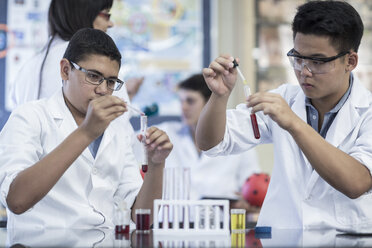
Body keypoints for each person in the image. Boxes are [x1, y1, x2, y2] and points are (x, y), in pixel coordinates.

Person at [196, 0, 372, 232]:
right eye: (298, 58)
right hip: (281, 237)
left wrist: (294, 124)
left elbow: (356, 182)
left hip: (348, 239)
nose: (304, 72)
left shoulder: (367, 111)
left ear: (350, 61)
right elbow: (210, 143)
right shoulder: (283, 99)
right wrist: (219, 97)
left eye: (317, 61)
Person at [0, 28, 173, 229]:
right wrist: (86, 132)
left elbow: (142, 218)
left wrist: (156, 165)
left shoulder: (116, 128)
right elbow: (17, 201)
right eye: (93, 76)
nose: (102, 90)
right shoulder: (30, 117)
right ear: (65, 70)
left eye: (110, 82)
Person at [9, 0, 143, 112]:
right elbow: (115, 126)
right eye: (106, 15)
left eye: (111, 82)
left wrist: (127, 94)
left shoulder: (29, 67)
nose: (110, 24)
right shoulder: (94, 62)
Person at [156, 74, 261, 212]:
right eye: (181, 101)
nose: (184, 107)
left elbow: (254, 191)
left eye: (190, 101)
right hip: (176, 224)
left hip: (223, 226)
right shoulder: (166, 133)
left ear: (208, 103)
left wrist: (247, 204)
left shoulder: (237, 138)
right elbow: (130, 141)